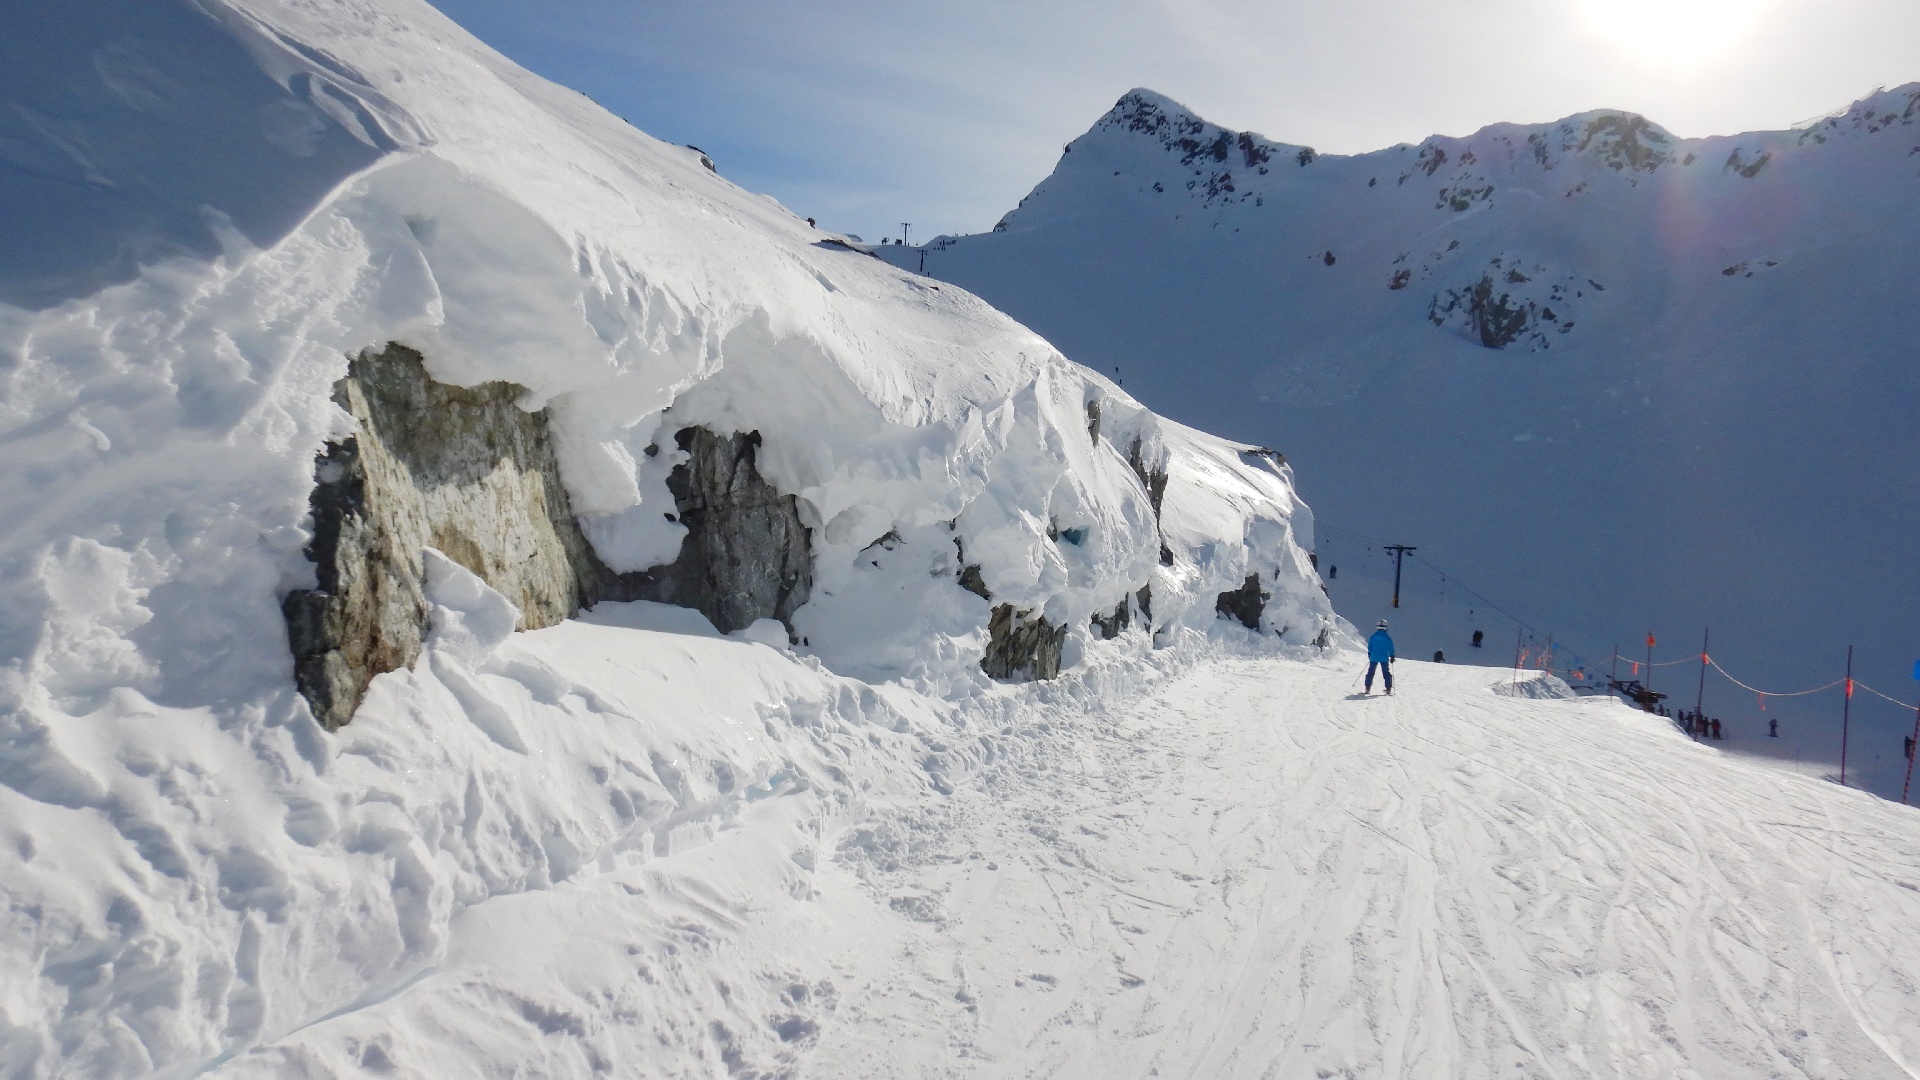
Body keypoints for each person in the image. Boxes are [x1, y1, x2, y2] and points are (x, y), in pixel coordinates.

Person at [1365, 619, 1395, 694]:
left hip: (1374, 657)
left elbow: (1370, 646)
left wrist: (1369, 654)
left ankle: (1367, 688)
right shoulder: (1387, 638)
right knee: (1386, 673)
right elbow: (1390, 647)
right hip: (1384, 657)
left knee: (1370, 672)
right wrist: (1392, 656)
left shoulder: (1373, 636)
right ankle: (1388, 688)